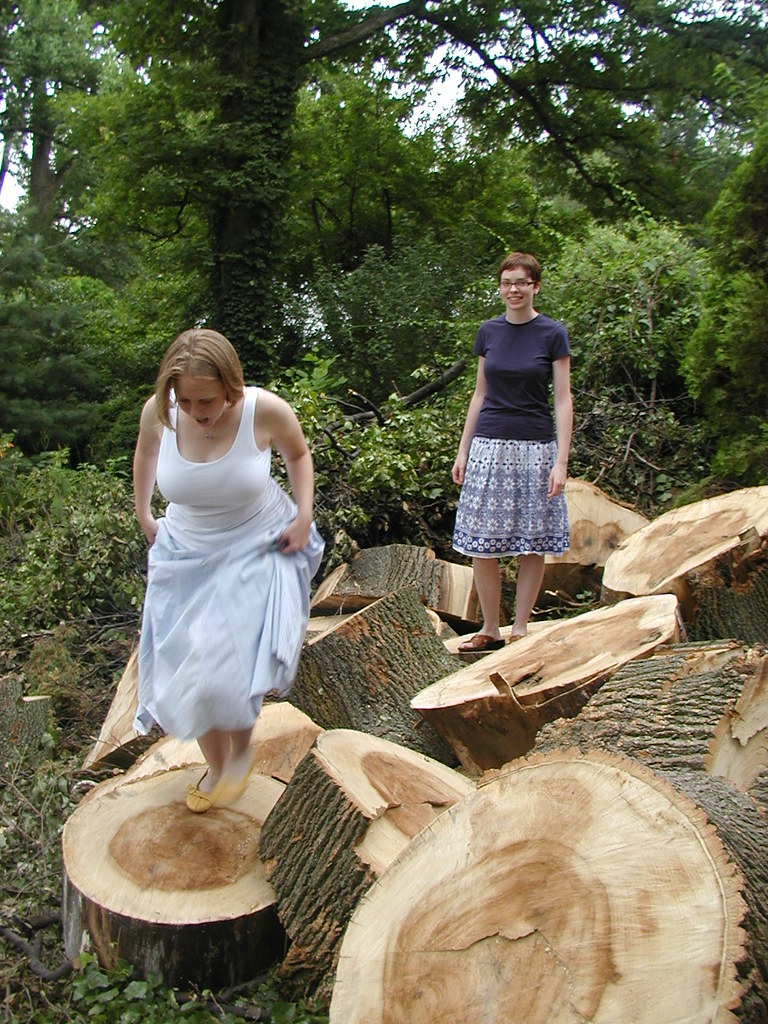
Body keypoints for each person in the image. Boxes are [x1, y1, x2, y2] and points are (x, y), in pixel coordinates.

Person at [132, 328, 324, 811]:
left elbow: (298, 455)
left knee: (224, 661)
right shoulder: (159, 413)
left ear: (231, 387)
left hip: (254, 544)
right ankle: (217, 767)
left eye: (209, 400)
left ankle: (240, 751)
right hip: (185, 549)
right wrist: (143, 513)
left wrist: (303, 516)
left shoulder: (265, 410)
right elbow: (145, 454)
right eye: (187, 399)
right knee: (182, 664)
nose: (198, 411)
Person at [451, 252, 572, 653]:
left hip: (537, 449)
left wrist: (561, 461)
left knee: (532, 542)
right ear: (500, 287)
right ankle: (490, 629)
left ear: (535, 285)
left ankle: (520, 628)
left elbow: (563, 401)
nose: (513, 289)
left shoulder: (552, 334)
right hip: (488, 446)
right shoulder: (489, 331)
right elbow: (480, 393)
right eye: (507, 282)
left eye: (521, 282)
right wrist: (463, 450)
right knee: (481, 542)